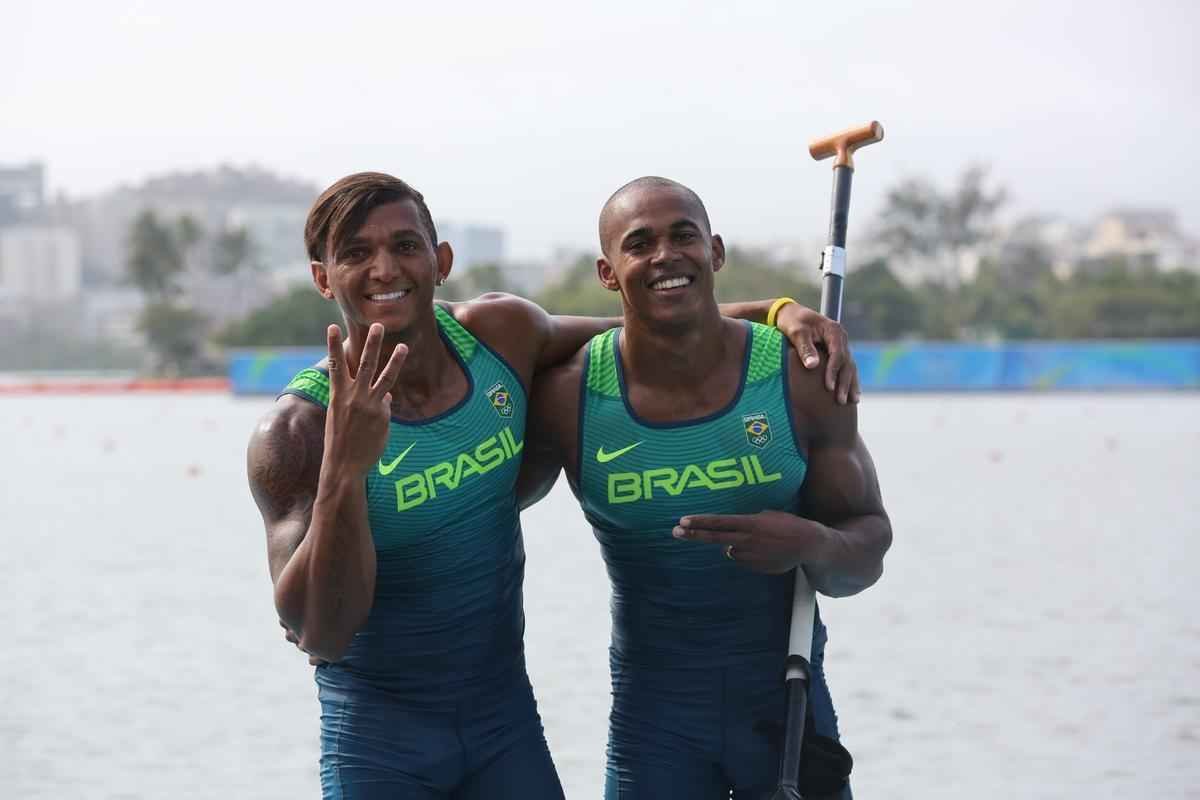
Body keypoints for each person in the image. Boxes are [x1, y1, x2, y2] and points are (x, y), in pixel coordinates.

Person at [247, 171, 859, 799]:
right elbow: (317, 632)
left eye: (405, 245)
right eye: (355, 254)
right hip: (380, 740)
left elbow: (649, 321)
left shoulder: (500, 335)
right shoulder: (296, 433)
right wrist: (345, 471)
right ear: (322, 278)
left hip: (503, 726)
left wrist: (777, 310)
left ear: (441, 260)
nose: (384, 269)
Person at [520, 176, 893, 799]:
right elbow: (472, 517)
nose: (665, 256)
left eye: (683, 236)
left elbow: (868, 548)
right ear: (608, 274)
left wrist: (808, 542)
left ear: (714, 253)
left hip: (786, 701)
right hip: (653, 722)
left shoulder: (800, 376)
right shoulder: (566, 398)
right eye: (639, 244)